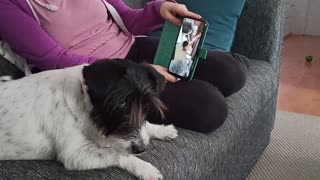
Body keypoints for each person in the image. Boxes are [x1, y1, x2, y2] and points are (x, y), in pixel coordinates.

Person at [0, 0, 248, 133]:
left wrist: (159, 9)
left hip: (134, 49)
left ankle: (185, 83)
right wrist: (135, 72)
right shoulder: (7, 6)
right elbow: (53, 60)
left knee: (231, 71)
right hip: (106, 82)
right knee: (211, 108)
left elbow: (128, 19)